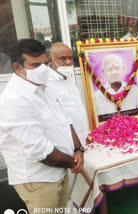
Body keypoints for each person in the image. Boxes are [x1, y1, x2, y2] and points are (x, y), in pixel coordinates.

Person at [0, 39, 84, 213]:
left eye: (45, 63)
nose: (43, 70)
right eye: (35, 65)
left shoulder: (44, 86)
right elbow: (39, 150)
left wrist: (77, 149)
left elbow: (65, 119)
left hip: (60, 169)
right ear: (17, 68)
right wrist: (72, 162)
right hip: (38, 179)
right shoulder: (14, 99)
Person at [46, 42, 89, 199]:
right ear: (51, 59)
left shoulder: (68, 77)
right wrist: (76, 147)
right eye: (63, 58)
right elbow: (60, 119)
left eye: (71, 57)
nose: (69, 62)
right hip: (67, 145)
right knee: (69, 190)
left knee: (82, 186)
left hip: (82, 140)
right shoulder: (46, 83)